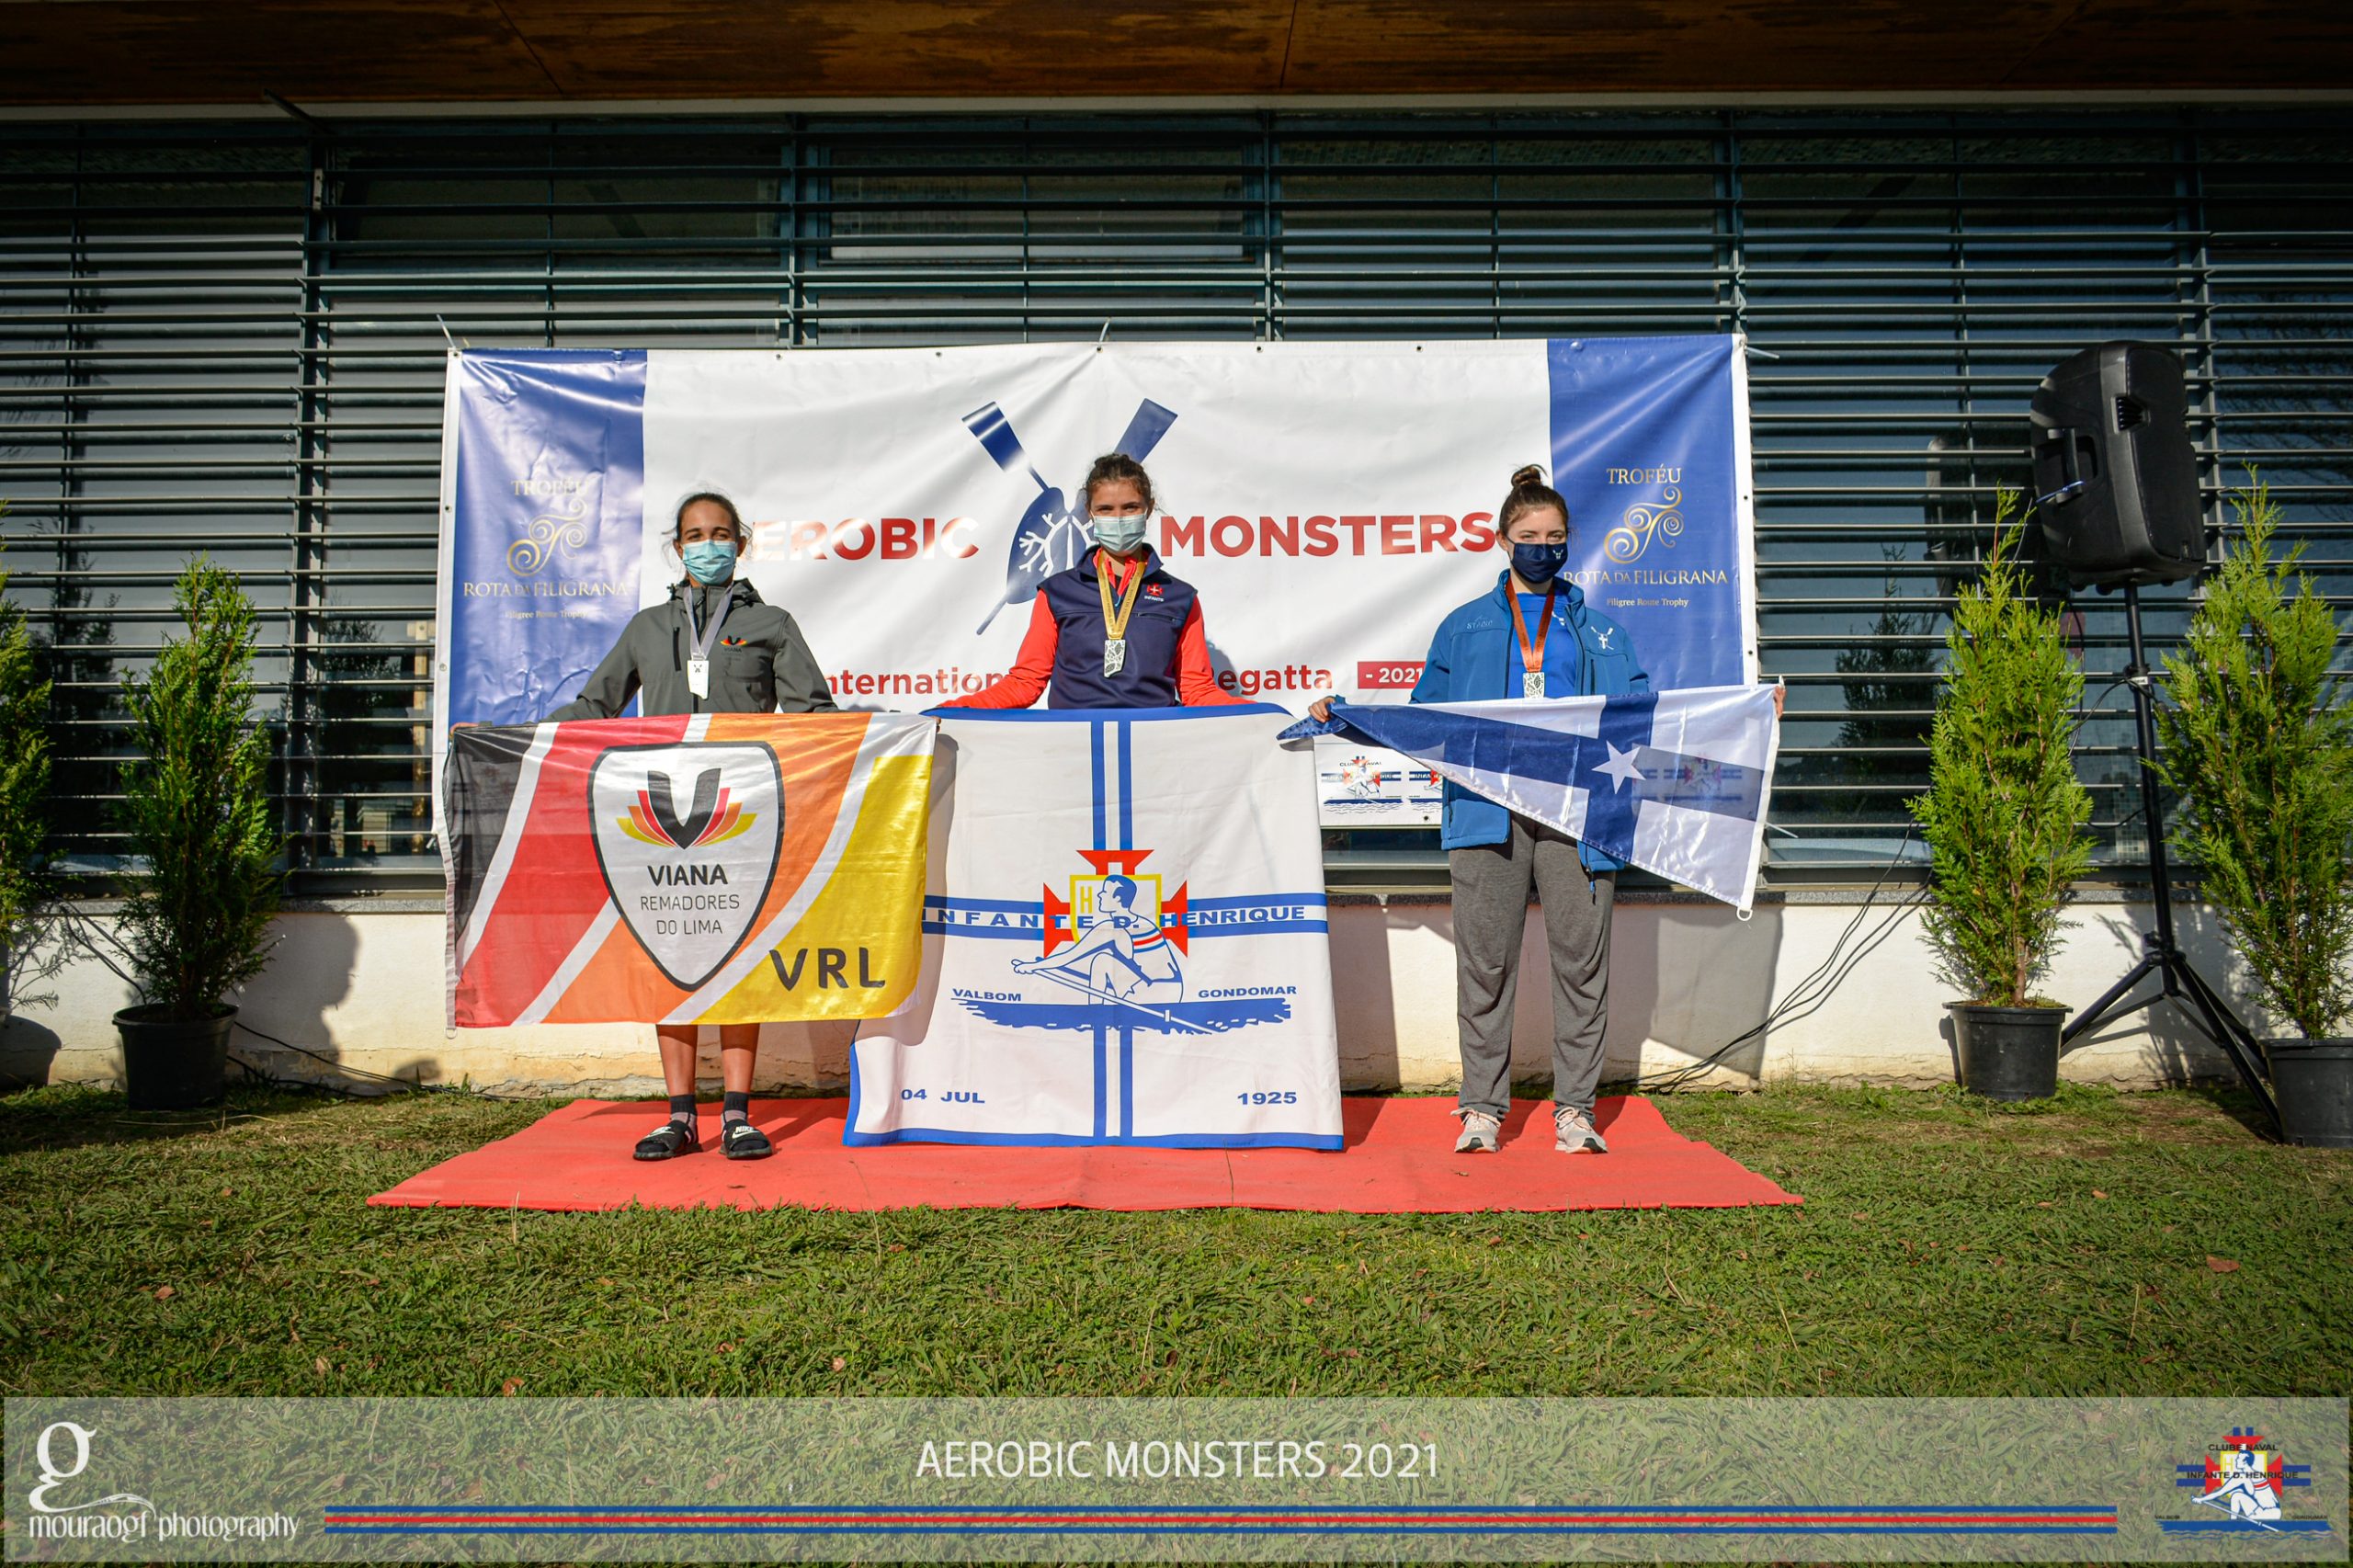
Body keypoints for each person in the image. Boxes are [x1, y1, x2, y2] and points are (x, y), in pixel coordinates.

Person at [1311, 462, 1779, 1156]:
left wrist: (1746, 715)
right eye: (1528, 534)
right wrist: (1345, 716)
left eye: (1554, 535)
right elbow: (1423, 723)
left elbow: (1653, 721)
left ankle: (1575, 1111)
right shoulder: (1463, 628)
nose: (1542, 545)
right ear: (1503, 540)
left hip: (1582, 819)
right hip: (1485, 815)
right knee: (1486, 964)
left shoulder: (1604, 635)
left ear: (1570, 541)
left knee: (1581, 964)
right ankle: (1481, 1110)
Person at [551, 489, 837, 1163]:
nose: (707, 545)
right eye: (693, 535)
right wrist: (517, 738)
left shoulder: (772, 622)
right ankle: (680, 1116)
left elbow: (814, 712)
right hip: (657, 820)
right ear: (677, 548)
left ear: (741, 543)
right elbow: (595, 704)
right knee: (667, 957)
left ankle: (738, 1113)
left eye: (719, 533)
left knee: (736, 961)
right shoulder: (648, 627)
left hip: (741, 819)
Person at [942, 452, 1244, 710]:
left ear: (1148, 509)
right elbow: (1026, 683)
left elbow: (1198, 691)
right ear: (1091, 513)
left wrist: (1268, 714)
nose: (1119, 518)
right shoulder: (1057, 592)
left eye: (1130, 508)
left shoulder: (1180, 597)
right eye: (1106, 510)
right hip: (1073, 748)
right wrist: (948, 710)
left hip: (1152, 747)